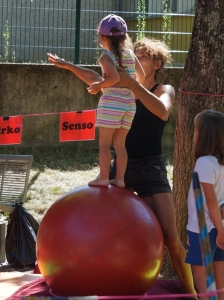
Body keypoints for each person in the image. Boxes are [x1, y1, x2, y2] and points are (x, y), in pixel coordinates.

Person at [47, 37, 197, 298]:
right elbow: (94, 76)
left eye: (143, 57)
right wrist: (68, 65)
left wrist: (130, 83)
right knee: (102, 226)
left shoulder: (165, 89)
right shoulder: (119, 88)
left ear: (157, 64)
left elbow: (162, 111)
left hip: (151, 170)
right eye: (134, 55)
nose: (136, 60)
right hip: (121, 171)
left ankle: (193, 294)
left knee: (172, 239)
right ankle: (99, 280)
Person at [85, 14, 144, 188]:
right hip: (129, 105)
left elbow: (114, 77)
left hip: (111, 103)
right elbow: (141, 76)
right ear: (124, 37)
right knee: (120, 144)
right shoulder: (131, 55)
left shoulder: (105, 57)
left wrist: (98, 86)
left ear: (102, 37)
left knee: (104, 143)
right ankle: (119, 179)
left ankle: (103, 177)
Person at [185, 110, 224, 300]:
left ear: (204, 135)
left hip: (203, 230)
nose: (194, 133)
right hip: (222, 226)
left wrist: (219, 228)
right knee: (221, 277)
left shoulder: (204, 163)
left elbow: (210, 200)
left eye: (196, 129)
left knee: (202, 280)